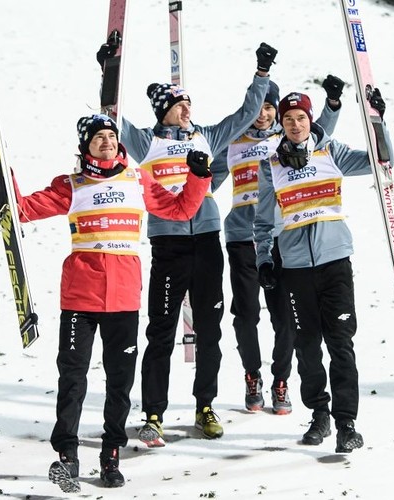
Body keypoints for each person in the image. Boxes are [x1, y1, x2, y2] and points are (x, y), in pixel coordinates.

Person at [0, 114, 212, 491]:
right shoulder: (71, 185)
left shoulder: (138, 180)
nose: (106, 142)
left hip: (123, 297)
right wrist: (0, 171)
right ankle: (67, 458)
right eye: (98, 138)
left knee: (120, 383)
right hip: (80, 297)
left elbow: (179, 210)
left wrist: (198, 178)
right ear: (85, 146)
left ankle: (111, 456)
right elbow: (22, 209)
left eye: (110, 136)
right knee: (72, 379)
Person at [103, 41, 277, 444]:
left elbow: (246, 114)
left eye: (189, 104)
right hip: (169, 245)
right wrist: (108, 71)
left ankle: (205, 406)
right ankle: (153, 415)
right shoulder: (146, 143)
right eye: (179, 104)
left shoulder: (208, 137)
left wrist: (261, 75)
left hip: (207, 244)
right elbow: (111, 119)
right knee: (161, 332)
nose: (187, 110)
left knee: (210, 331)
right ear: (164, 109)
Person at [253, 88, 389, 453]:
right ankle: (319, 414)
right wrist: (264, 259)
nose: (295, 125)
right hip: (295, 267)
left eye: (301, 118)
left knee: (341, 344)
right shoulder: (271, 165)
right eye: (288, 119)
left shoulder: (332, 151)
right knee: (307, 346)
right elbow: (263, 221)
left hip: (335, 263)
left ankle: (347, 423)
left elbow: (380, 161)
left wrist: (378, 122)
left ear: (310, 120)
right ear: (281, 125)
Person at [209, 75, 346, 414]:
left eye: (269, 107)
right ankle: (251, 375)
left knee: (284, 317)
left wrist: (331, 106)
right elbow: (206, 180)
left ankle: (281, 380)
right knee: (246, 313)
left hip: (281, 237)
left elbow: (317, 134)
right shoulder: (233, 142)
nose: (263, 114)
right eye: (257, 107)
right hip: (242, 237)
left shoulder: (286, 138)